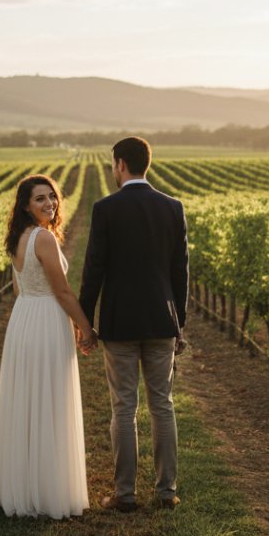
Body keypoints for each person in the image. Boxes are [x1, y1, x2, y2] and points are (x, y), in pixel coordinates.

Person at [79, 136, 188, 512]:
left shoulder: (106, 208)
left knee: (124, 407)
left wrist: (85, 320)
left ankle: (125, 495)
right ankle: (166, 492)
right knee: (163, 404)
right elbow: (180, 271)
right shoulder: (172, 207)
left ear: (121, 165)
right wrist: (180, 323)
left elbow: (94, 268)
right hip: (161, 320)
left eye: (113, 165)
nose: (113, 171)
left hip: (120, 322)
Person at [0, 173, 94, 519]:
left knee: (29, 401)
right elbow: (61, 292)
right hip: (46, 318)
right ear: (26, 206)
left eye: (52, 197)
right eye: (40, 199)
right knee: (48, 399)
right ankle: (47, 492)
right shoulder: (44, 238)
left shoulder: (19, 237)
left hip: (24, 318)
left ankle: (23, 485)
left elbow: (19, 289)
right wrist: (85, 326)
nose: (50, 203)